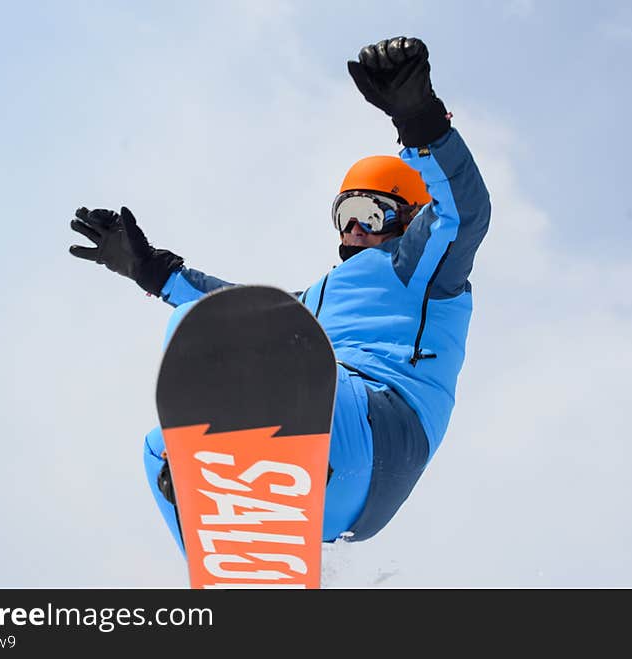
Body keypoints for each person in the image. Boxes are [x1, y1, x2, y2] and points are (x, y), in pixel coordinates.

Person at [69, 36, 491, 554]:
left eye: (372, 214)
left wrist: (423, 123)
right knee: (161, 450)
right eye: (345, 216)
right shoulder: (312, 302)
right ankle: (239, 567)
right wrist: (149, 269)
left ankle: (246, 468)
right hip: (334, 499)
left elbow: (463, 213)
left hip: (379, 428)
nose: (355, 231)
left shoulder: (422, 266)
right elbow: (226, 303)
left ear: (408, 217)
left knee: (226, 336)